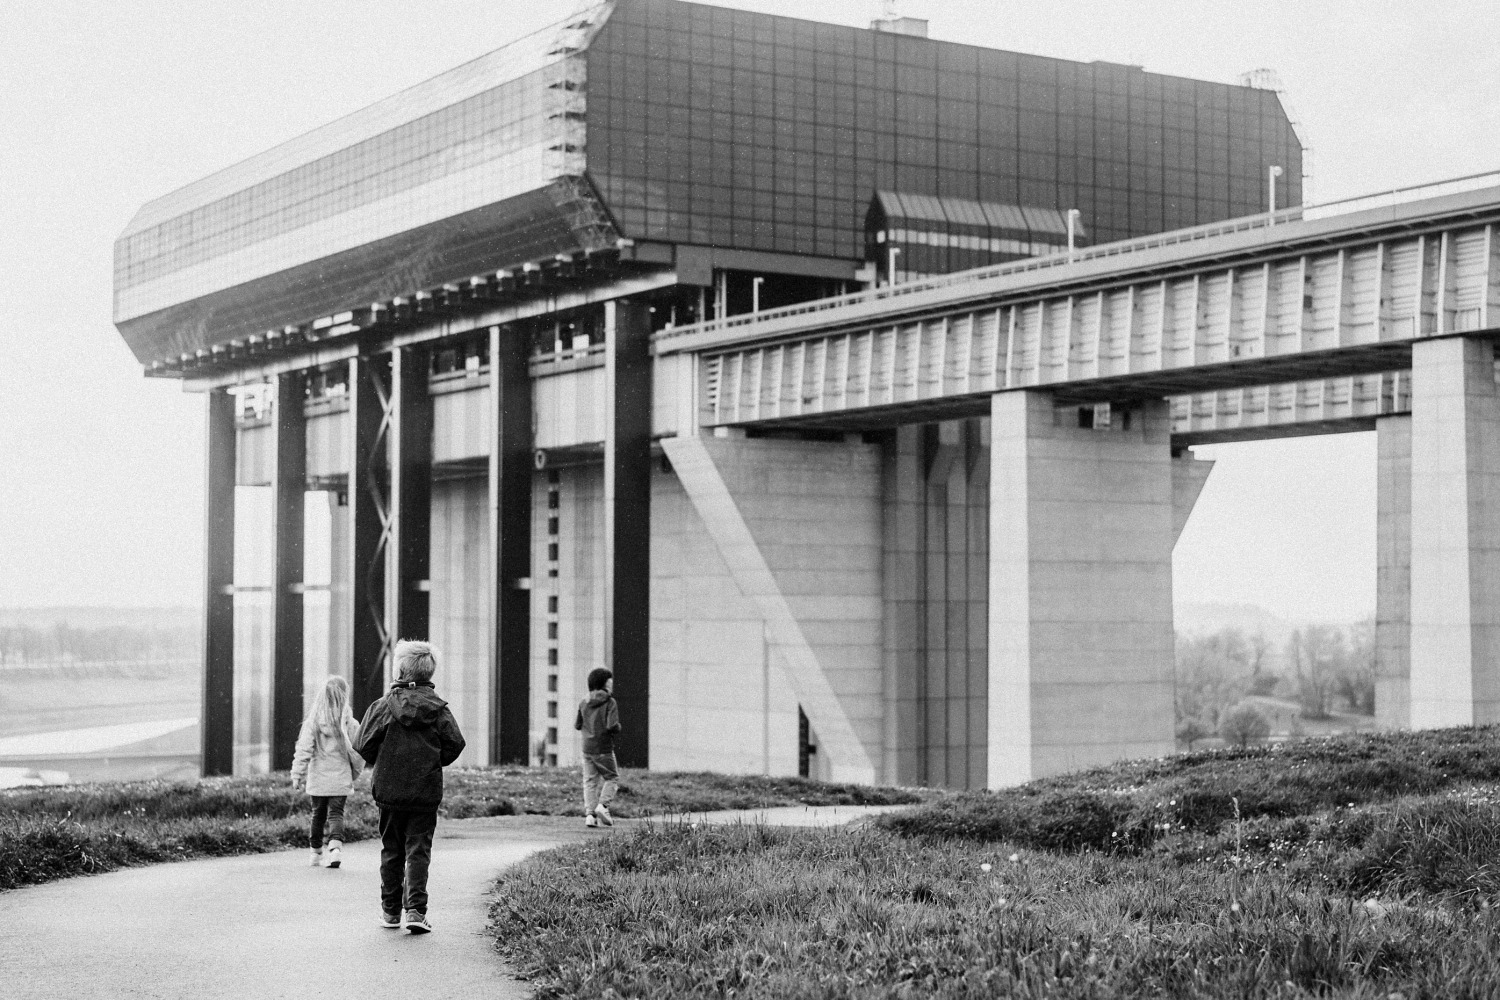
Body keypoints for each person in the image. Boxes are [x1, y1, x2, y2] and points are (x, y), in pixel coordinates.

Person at [354, 640, 466, 935]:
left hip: (389, 793)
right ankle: (416, 910)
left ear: (400, 671)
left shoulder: (382, 707)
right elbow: (455, 744)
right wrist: (431, 762)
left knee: (391, 849)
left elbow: (362, 743)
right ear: (430, 674)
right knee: (418, 850)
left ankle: (390, 912)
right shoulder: (439, 710)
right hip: (424, 792)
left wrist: (384, 760)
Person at [291, 675, 364, 869]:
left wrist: (297, 775)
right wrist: (355, 774)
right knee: (336, 814)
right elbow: (358, 753)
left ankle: (315, 852)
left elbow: (303, 750)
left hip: (318, 780)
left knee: (318, 815)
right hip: (340, 779)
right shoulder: (350, 723)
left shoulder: (313, 723)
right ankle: (335, 849)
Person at [575, 667, 621, 829]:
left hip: (587, 748)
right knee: (612, 777)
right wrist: (618, 728)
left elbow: (577, 725)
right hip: (604, 747)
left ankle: (590, 816)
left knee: (589, 781)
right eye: (610, 681)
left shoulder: (583, 701)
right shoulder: (610, 702)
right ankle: (603, 806)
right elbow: (612, 725)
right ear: (604, 684)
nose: (612, 684)